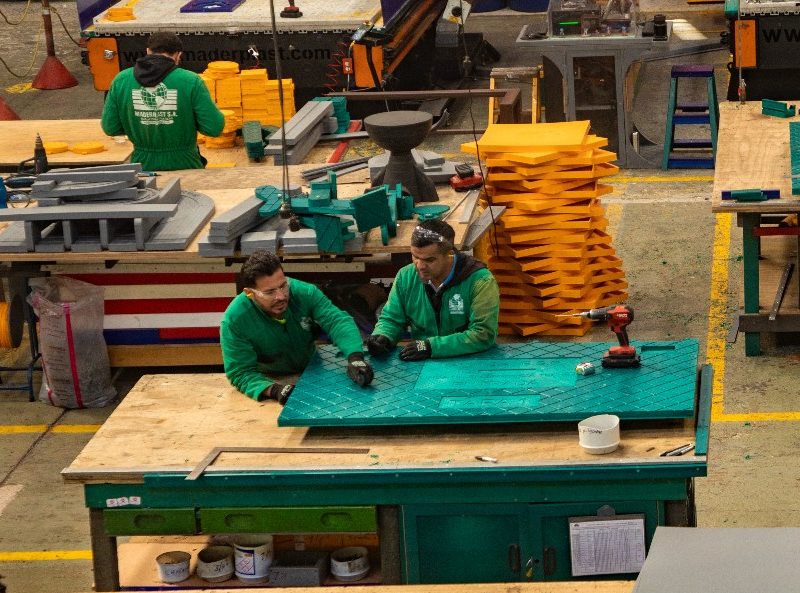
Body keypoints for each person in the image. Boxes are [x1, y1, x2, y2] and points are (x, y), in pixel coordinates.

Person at [220, 250, 374, 404]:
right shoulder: (234, 321)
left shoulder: (305, 293)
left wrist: (355, 358)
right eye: (270, 292)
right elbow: (240, 372)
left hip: (312, 369)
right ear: (250, 293)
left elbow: (337, 321)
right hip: (269, 379)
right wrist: (274, 390)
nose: (281, 296)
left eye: (283, 286)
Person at [366, 219, 499, 361]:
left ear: (449, 254)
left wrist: (431, 347)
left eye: (429, 260)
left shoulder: (480, 281)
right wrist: (383, 336)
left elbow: (483, 334)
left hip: (470, 361)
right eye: (415, 257)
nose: (420, 266)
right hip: (423, 362)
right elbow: (392, 318)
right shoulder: (406, 277)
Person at [101, 32, 224, 171]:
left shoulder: (121, 80)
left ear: (148, 51)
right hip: (185, 164)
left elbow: (110, 127)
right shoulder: (190, 81)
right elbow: (214, 128)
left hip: (143, 166)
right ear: (178, 55)